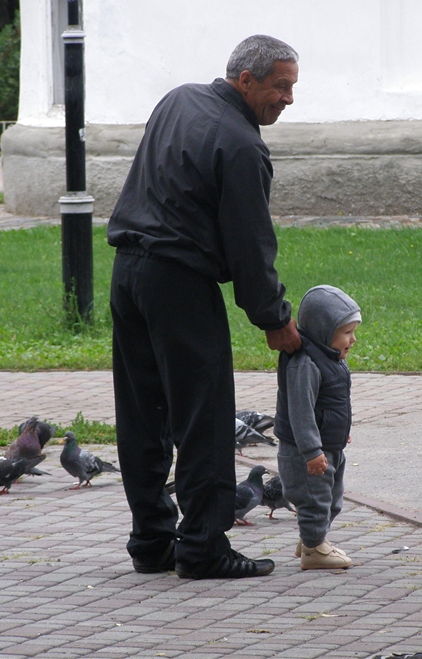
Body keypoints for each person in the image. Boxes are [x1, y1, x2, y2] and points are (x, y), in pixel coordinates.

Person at [107, 35, 302, 580]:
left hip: (128, 275)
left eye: (292, 87)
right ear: (246, 80)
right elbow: (250, 244)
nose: (287, 98)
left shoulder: (177, 99)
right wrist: (275, 318)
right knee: (204, 420)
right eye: (279, 86)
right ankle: (202, 549)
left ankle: (150, 541)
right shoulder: (242, 145)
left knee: (143, 416)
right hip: (179, 285)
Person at [274, 285, 361, 570]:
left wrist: (340, 430)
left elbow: (331, 404)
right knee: (315, 500)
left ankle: (311, 539)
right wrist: (311, 451)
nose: (353, 339)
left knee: (333, 499)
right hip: (307, 452)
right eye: (346, 333)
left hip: (327, 446)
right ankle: (313, 551)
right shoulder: (306, 364)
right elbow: (300, 412)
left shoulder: (330, 359)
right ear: (325, 330)